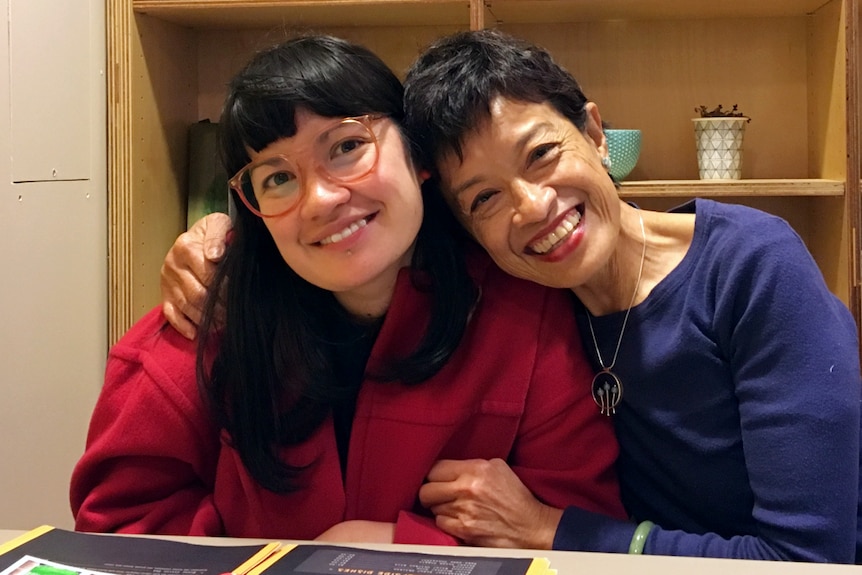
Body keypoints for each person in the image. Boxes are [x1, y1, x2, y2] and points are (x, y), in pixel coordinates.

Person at [162, 30, 862, 562]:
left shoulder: (749, 266)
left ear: (594, 133)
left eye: (543, 154)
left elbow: (808, 561)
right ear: (459, 223)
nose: (532, 208)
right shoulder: (514, 288)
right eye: (485, 197)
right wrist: (224, 238)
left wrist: (549, 527)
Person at [70, 34, 626, 544]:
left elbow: (579, 529)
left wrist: (392, 547)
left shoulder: (522, 318)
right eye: (278, 178)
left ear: (418, 154)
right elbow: (118, 528)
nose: (320, 200)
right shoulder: (204, 324)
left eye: (345, 147)